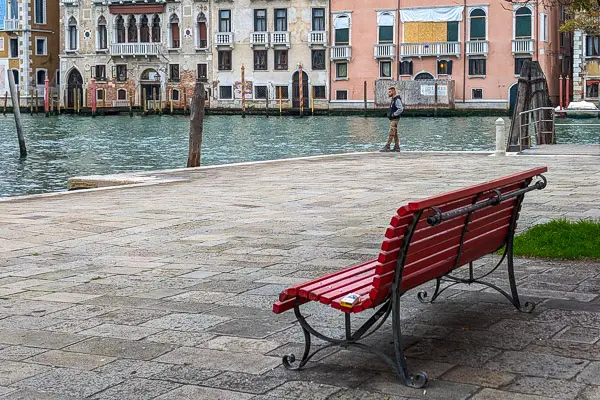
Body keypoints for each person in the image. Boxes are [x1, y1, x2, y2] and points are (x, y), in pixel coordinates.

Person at [381, 86, 403, 152]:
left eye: (390, 92)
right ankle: (397, 147)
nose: (389, 93)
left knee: (391, 132)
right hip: (393, 119)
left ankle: (387, 146)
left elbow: (401, 109)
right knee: (395, 133)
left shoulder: (397, 99)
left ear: (393, 91)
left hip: (395, 119)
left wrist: (394, 114)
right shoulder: (393, 99)